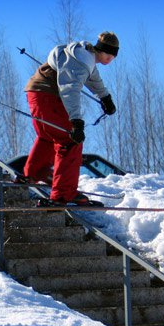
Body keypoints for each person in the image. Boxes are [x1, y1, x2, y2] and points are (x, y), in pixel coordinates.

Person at [23, 31, 118, 205]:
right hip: (47, 94)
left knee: (49, 135)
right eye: (110, 54)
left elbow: (93, 78)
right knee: (70, 140)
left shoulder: (85, 56)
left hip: (37, 92)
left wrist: (105, 97)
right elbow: (70, 90)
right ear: (102, 50)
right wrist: (76, 122)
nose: (111, 58)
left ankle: (33, 174)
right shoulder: (81, 62)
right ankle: (63, 194)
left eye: (114, 56)